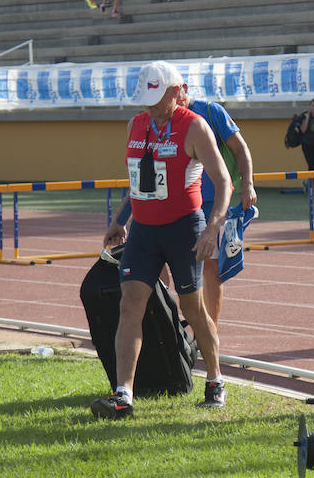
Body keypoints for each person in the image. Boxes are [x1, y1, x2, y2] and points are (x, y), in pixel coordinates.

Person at [91, 61, 232, 419]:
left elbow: (224, 182)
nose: (150, 107)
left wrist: (212, 229)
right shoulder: (135, 124)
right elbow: (139, 180)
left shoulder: (195, 126)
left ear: (175, 92)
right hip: (143, 231)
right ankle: (123, 394)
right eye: (145, 100)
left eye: (156, 99)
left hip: (184, 228)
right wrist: (119, 220)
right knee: (130, 305)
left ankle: (215, 380)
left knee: (192, 309)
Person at [178, 84, 257, 326]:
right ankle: (168, 329)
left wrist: (248, 184)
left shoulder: (211, 112)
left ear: (183, 89)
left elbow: (240, 147)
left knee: (210, 267)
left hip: (210, 202)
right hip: (175, 202)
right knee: (167, 265)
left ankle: (210, 332)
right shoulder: (162, 117)